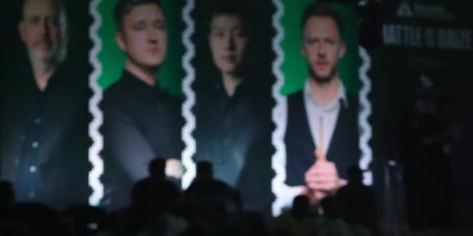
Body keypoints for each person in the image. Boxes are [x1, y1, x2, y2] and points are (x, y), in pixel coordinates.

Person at [0, 0, 90, 208]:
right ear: (23, 31)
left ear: (66, 31)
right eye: (35, 21)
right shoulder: (12, 96)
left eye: (52, 22)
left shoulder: (84, 92)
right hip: (18, 214)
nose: (43, 31)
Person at [101, 0, 182, 209]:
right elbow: (143, 174)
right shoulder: (111, 102)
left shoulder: (176, 105)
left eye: (159, 26)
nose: (153, 37)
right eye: (140, 27)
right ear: (121, 40)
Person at [195, 4, 271, 213]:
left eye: (239, 34)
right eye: (219, 34)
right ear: (209, 39)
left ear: (252, 40)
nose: (228, 45)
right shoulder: (200, 102)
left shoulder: (267, 102)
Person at [284, 2, 359, 203]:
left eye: (329, 41)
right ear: (303, 49)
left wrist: (339, 187)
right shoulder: (282, 108)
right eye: (313, 41)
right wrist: (305, 191)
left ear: (341, 49)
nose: (322, 51)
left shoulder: (362, 111)